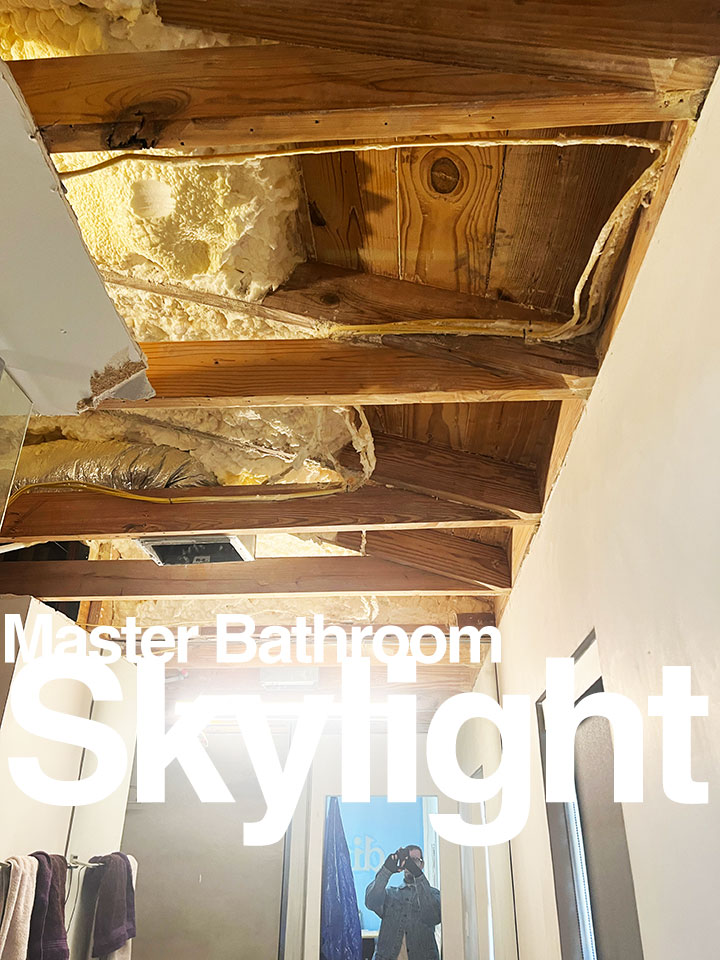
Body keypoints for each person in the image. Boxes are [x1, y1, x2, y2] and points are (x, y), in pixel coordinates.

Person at [364, 845, 441, 960]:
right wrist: (386, 870)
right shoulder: (390, 894)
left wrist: (417, 874)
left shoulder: (433, 894)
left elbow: (433, 916)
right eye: (407, 860)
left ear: (422, 864)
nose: (410, 864)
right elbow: (371, 902)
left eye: (415, 860)